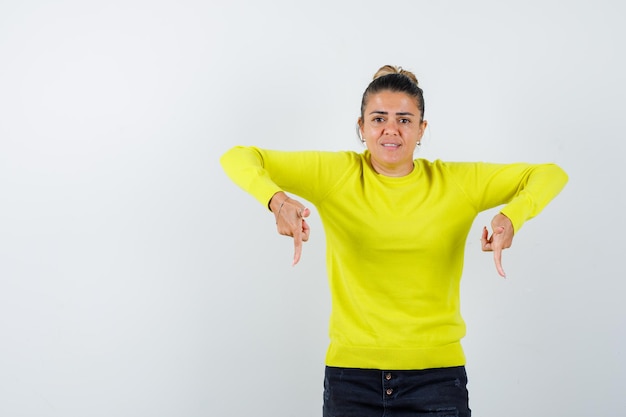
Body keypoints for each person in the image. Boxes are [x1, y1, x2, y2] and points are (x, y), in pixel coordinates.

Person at [220, 65, 568, 417]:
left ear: (421, 130)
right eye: (378, 118)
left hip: (436, 381)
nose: (391, 129)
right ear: (361, 127)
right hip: (350, 379)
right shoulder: (336, 174)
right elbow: (238, 156)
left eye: (404, 119)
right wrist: (276, 201)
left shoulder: (456, 182)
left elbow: (549, 174)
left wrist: (512, 216)